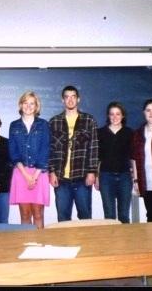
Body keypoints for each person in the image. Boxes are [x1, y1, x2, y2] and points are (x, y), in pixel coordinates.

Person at [49, 85, 99, 222]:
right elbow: (50, 150)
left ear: (78, 99)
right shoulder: (54, 122)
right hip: (61, 179)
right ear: (62, 100)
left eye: (73, 97)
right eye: (67, 97)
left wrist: (92, 172)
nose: (70, 100)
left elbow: (94, 148)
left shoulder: (89, 120)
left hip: (82, 178)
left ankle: (85, 244)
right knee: (63, 218)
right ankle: (64, 244)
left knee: (85, 217)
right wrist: (51, 172)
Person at [9, 91, 50, 229]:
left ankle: (40, 247)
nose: (28, 106)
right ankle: (27, 246)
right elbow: (13, 153)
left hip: (39, 173)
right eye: (25, 103)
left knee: (38, 214)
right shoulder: (14, 125)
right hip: (21, 174)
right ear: (21, 105)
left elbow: (45, 150)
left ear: (36, 106)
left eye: (32, 103)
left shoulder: (43, 125)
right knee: (25, 215)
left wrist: (35, 176)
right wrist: (26, 175)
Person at [95, 102, 133, 223]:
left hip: (125, 177)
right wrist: (97, 177)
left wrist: (135, 178)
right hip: (106, 177)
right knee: (109, 215)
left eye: (118, 114)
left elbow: (133, 157)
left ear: (123, 116)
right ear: (108, 116)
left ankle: (125, 242)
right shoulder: (100, 133)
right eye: (112, 114)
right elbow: (97, 158)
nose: (115, 117)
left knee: (124, 215)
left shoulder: (130, 133)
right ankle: (112, 242)